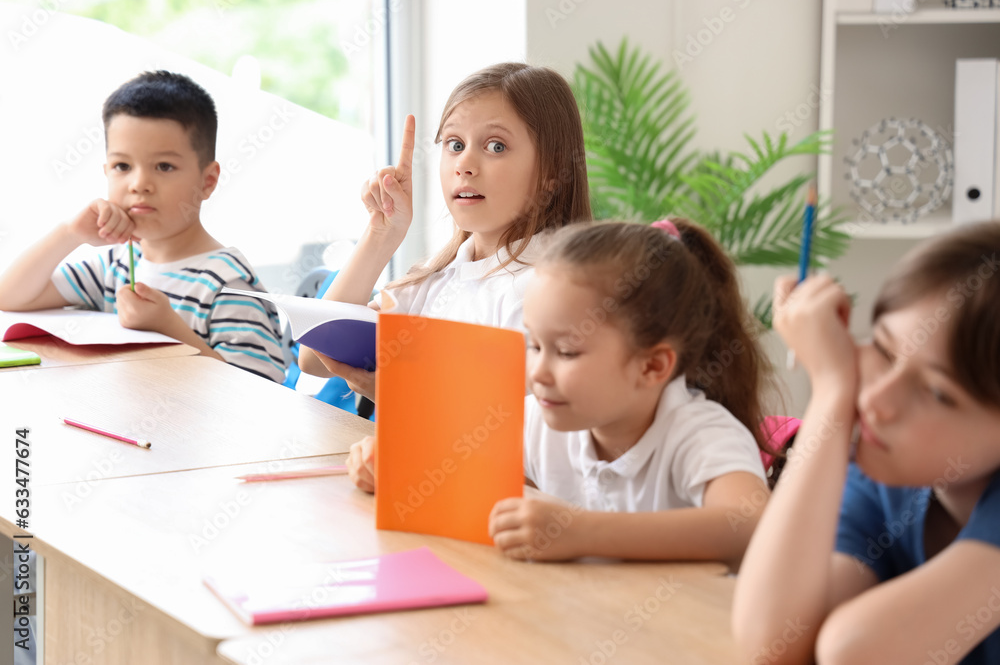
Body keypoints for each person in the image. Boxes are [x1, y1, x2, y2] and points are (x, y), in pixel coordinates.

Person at [351, 220, 774, 568]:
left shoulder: (698, 433)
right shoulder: (538, 420)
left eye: (567, 351)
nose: (538, 372)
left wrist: (581, 532)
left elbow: (749, 525)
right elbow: (449, 465)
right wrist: (392, 466)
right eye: (534, 345)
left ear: (652, 366)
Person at [732, 221, 1000, 664]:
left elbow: (856, 652)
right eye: (884, 350)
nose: (877, 400)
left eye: (936, 392)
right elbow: (771, 641)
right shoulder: (886, 489)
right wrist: (832, 392)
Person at [299, 62, 592, 399]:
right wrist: (383, 234)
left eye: (496, 146)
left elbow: (523, 435)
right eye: (454, 144)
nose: (464, 165)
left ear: (551, 175)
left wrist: (404, 397)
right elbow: (316, 357)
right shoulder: (438, 280)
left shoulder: (548, 291)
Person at [0, 70, 285, 382]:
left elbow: (261, 391)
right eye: (122, 166)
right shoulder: (116, 265)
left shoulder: (228, 285)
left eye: (164, 166)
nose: (139, 184)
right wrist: (69, 234)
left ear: (207, 181)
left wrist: (168, 328)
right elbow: (12, 297)